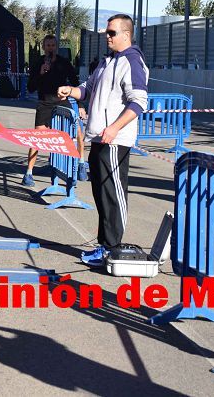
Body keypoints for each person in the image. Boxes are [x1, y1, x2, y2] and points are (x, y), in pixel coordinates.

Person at [58, 15, 147, 267]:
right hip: (97, 137)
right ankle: (104, 246)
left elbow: (139, 101)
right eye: (107, 33)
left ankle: (112, 248)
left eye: (112, 33)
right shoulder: (107, 61)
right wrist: (71, 90)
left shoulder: (132, 61)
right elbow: (87, 89)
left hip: (115, 139)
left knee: (113, 194)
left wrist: (115, 127)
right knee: (101, 193)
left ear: (126, 35)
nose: (107, 37)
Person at [23, 34, 79, 187]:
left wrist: (80, 106)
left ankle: (77, 167)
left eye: (53, 45)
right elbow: (30, 87)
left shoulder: (64, 63)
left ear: (56, 47)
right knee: (38, 138)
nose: (50, 48)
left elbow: (75, 83)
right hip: (45, 103)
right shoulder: (38, 63)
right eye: (48, 46)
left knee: (75, 133)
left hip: (62, 103)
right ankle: (28, 172)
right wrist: (41, 73)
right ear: (43, 47)